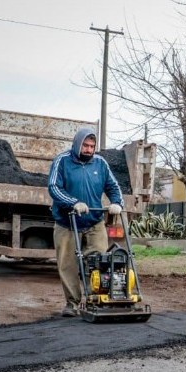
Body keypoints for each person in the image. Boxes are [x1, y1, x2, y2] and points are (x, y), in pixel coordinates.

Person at [48, 129, 124, 317]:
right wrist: (73, 202)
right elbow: (53, 187)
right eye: (85, 145)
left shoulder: (101, 163)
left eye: (92, 146)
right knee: (68, 265)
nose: (89, 150)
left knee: (98, 262)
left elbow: (113, 186)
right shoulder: (62, 161)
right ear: (77, 144)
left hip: (94, 222)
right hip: (67, 222)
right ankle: (72, 303)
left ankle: (95, 300)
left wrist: (116, 203)